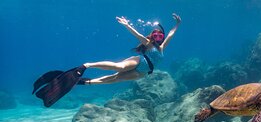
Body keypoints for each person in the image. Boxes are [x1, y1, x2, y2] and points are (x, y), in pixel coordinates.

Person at [33, 13, 181, 107]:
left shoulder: (162, 48)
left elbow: (171, 35)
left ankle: (86, 82)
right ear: (151, 37)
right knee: (119, 67)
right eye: (155, 35)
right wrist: (127, 25)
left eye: (160, 36)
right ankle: (87, 65)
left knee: (115, 79)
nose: (158, 37)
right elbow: (137, 35)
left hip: (144, 72)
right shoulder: (148, 44)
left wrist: (177, 24)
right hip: (139, 61)